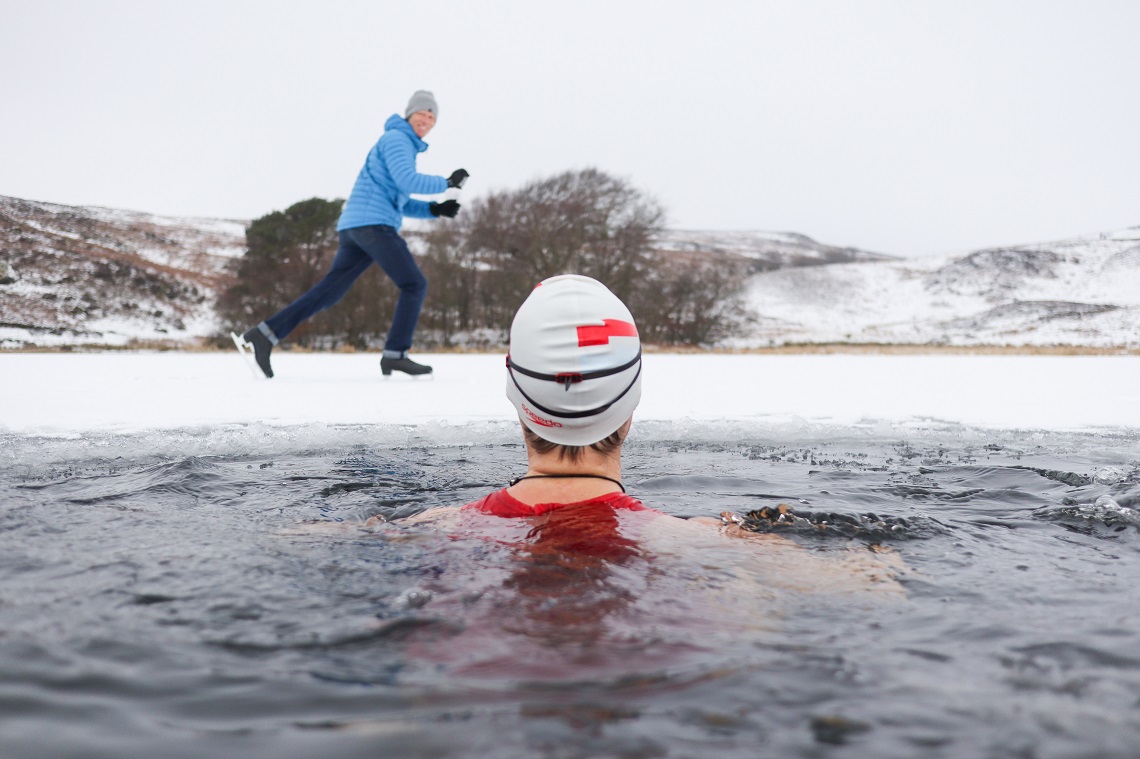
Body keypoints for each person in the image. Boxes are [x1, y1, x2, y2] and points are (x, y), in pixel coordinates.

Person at [237, 89, 468, 379]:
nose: (427, 118)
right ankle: (395, 354)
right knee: (414, 284)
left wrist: (435, 210)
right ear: (409, 114)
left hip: (357, 226)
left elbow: (400, 199)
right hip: (373, 226)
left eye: (432, 115)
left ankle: (265, 333)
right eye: (422, 112)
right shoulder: (397, 139)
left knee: (330, 292)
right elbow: (407, 180)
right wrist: (446, 182)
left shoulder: (399, 142)